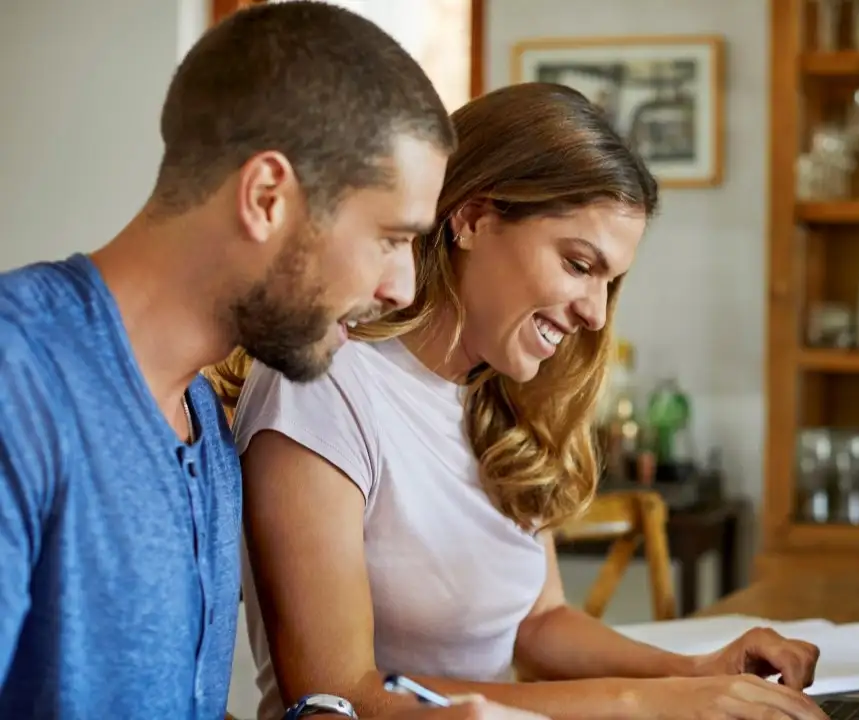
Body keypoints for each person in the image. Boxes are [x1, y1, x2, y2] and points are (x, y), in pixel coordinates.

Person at [209, 81, 825, 720]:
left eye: (608, 283)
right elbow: (339, 694)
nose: (593, 313)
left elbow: (538, 623)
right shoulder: (325, 384)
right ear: (473, 218)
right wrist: (653, 701)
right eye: (578, 264)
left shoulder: (502, 397)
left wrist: (699, 671)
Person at [0, 2, 543, 719]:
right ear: (266, 197)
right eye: (389, 237)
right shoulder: (20, 378)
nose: (402, 286)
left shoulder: (200, 423)